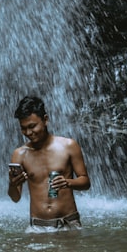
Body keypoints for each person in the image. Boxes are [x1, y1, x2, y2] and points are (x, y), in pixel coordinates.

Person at [7, 95, 90, 229]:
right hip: (38, 226)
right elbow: (15, 198)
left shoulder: (69, 146)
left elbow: (85, 182)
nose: (28, 132)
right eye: (23, 128)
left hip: (69, 222)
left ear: (45, 120)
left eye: (32, 126)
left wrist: (68, 182)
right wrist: (12, 184)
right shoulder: (20, 154)